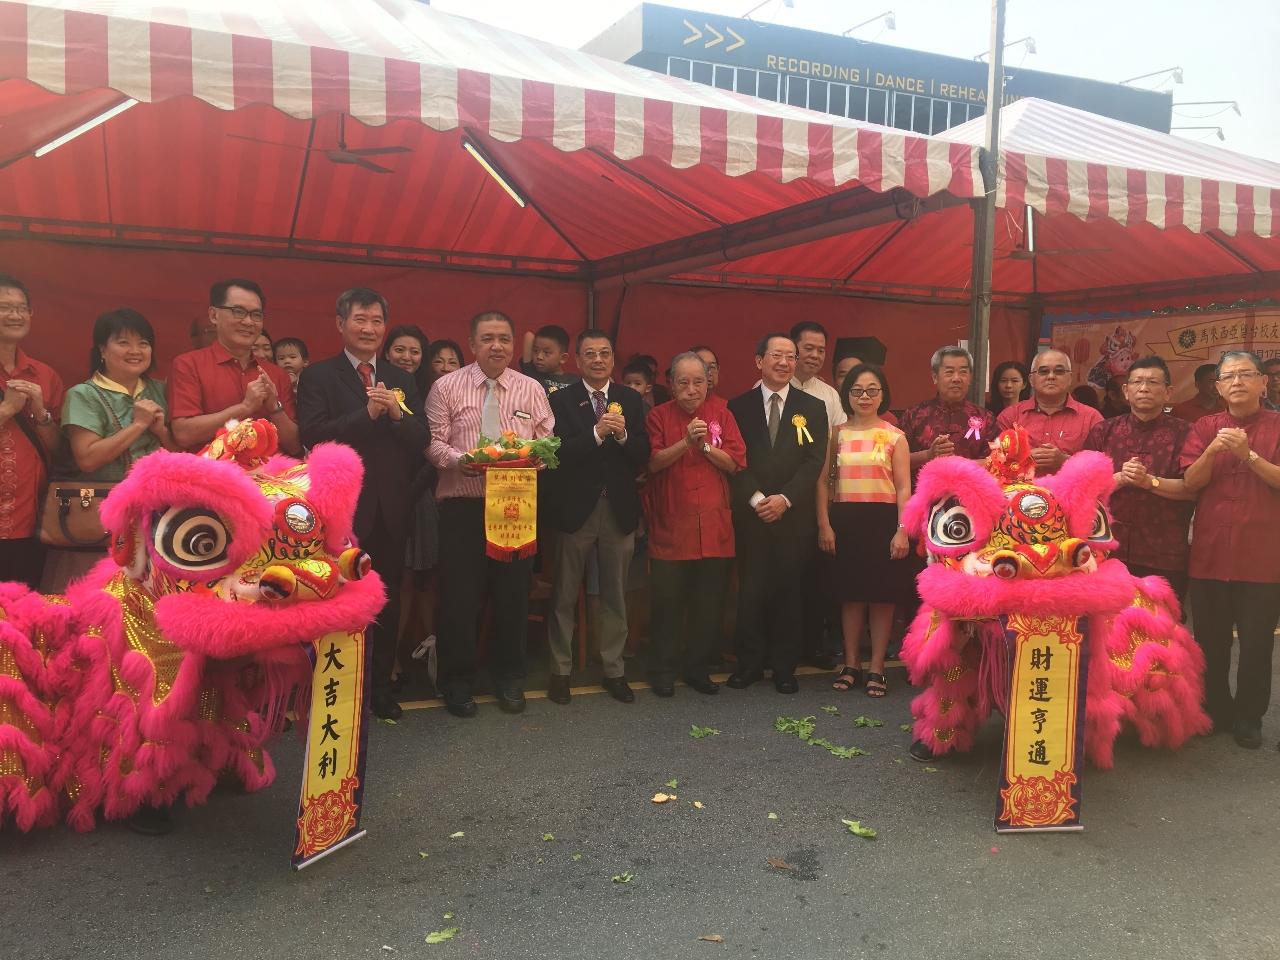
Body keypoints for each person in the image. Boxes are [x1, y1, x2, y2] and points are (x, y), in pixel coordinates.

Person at [297, 288, 429, 721]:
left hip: (390, 507)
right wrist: (366, 416)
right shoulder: (319, 376)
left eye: (376, 321)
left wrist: (395, 414)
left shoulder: (401, 377)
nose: (369, 329)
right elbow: (313, 435)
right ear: (340, 324)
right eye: (360, 320)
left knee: (383, 601)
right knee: (335, 598)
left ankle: (379, 687)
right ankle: (334, 691)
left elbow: (420, 441)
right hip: (340, 508)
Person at [426, 311, 554, 718]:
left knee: (512, 595)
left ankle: (511, 678)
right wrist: (461, 461)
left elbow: (548, 441)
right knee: (460, 599)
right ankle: (457, 682)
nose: (496, 346)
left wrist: (537, 458)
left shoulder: (531, 388)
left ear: (514, 346)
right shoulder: (446, 386)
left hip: (515, 507)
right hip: (464, 505)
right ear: (472, 343)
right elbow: (431, 443)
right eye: (488, 339)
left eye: (503, 339)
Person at [542, 330, 650, 705]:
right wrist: (596, 432)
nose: (599, 360)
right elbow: (556, 453)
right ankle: (560, 669)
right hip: (576, 510)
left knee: (615, 594)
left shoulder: (631, 400)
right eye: (591, 354)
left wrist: (620, 438)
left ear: (613, 359)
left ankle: (614, 669)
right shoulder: (561, 400)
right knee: (565, 593)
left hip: (617, 509)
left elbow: (642, 452)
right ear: (577, 360)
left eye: (605, 353)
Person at [1180, 351, 1280, 750]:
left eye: (1246, 375)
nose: (1237, 382)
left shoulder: (1276, 426)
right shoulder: (1206, 426)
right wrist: (1212, 451)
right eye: (1229, 377)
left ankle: (1249, 716)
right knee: (1210, 640)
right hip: (1209, 552)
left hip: (1262, 555)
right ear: (1218, 387)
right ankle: (1216, 709)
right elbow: (1190, 481)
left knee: (1257, 642)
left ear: (1263, 383)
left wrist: (1248, 455)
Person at [726, 334, 828, 693]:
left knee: (788, 590)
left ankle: (785, 667)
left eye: (791, 357)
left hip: (793, 516)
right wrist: (757, 499)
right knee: (751, 589)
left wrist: (785, 499)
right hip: (752, 515)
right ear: (759, 361)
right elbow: (735, 460)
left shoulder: (813, 408)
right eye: (777, 356)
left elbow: (814, 463)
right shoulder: (737, 407)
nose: (785, 363)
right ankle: (749, 663)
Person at [642, 353, 746, 696]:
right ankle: (663, 670)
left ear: (708, 382)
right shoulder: (658, 416)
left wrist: (703, 447)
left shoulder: (723, 414)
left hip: (714, 527)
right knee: (667, 604)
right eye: (683, 383)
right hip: (671, 525)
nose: (691, 390)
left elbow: (735, 463)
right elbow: (654, 462)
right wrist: (685, 442)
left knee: (708, 603)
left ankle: (698, 669)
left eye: (698, 382)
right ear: (671, 385)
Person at [817, 363, 913, 698]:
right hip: (845, 520)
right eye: (857, 390)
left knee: (882, 597)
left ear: (883, 394)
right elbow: (823, 482)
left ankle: (877, 667)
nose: (865, 396)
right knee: (851, 595)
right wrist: (824, 523)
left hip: (883, 522)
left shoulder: (895, 436)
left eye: (873, 390)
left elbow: (903, 488)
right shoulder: (836, 434)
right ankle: (852, 663)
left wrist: (903, 530)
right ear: (847, 395)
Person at [1083, 357, 1196, 599]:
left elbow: (1193, 488)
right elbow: (1084, 488)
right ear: (1126, 390)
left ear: (1168, 392)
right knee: (1109, 626)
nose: (1144, 388)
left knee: (1162, 627)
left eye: (1153, 382)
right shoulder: (1104, 431)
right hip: (1108, 549)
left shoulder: (1186, 433)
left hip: (1164, 552)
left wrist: (1150, 482)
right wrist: (1120, 479)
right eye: (1137, 382)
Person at [167, 279, 301, 455]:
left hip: (269, 477)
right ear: (214, 315)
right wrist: (244, 408)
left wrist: (274, 407)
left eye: (256, 315)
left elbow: (295, 447)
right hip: (208, 475)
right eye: (238, 312)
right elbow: (183, 434)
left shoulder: (276, 374)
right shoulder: (188, 365)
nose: (248, 322)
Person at [382, 324, 439, 692]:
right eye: (400, 349)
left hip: (422, 498)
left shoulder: (433, 392)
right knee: (395, 581)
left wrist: (410, 492)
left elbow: (431, 449)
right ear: (387, 353)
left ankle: (431, 656)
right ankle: (389, 659)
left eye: (415, 351)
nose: (407, 357)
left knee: (428, 579)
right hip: (385, 499)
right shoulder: (378, 388)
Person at [0, 274, 63, 587]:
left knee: (23, 608)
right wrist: (8, 409)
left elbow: (57, 450)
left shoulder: (44, 375)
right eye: (4, 307)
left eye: (21, 308)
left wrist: (40, 412)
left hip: (29, 517)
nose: (14, 315)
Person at [996, 348, 1102, 474]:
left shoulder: (1091, 418)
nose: (1051, 376)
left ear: (1070, 378)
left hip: (1073, 492)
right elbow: (994, 462)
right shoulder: (1010, 416)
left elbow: (1103, 467)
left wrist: (1065, 461)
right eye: (1044, 371)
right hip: (1020, 491)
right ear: (1031, 379)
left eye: (1059, 371)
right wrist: (1023, 459)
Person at [899, 346, 997, 471]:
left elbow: (997, 461)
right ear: (935, 377)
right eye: (949, 372)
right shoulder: (914, 415)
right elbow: (893, 459)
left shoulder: (985, 418)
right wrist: (928, 455)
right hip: (923, 489)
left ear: (970, 378)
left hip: (970, 488)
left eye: (963, 372)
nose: (956, 378)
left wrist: (960, 464)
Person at [521, 324, 576, 396]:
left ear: (563, 358)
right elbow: (529, 335)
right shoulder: (532, 374)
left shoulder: (575, 381)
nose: (539, 357)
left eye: (546, 353)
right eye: (536, 351)